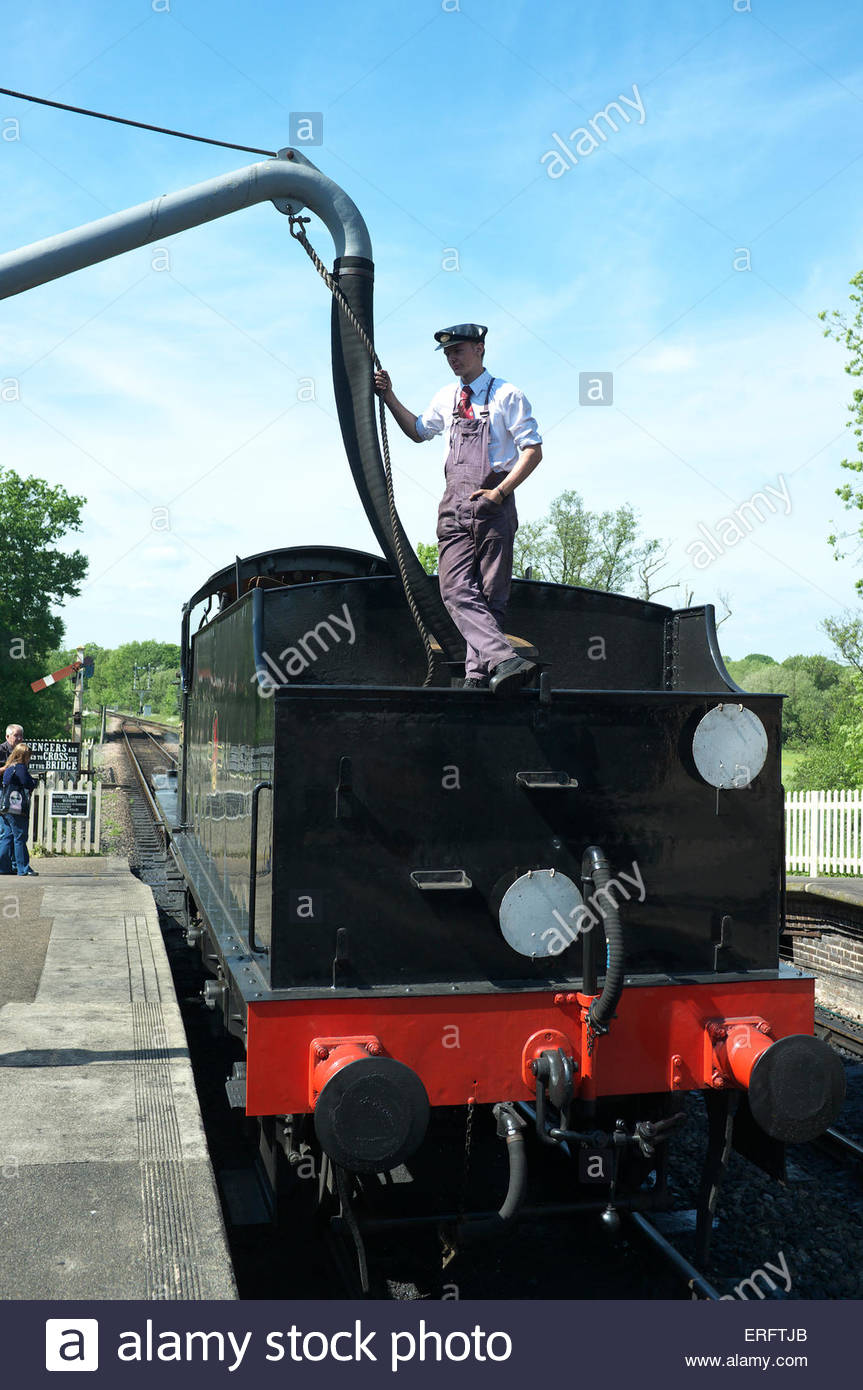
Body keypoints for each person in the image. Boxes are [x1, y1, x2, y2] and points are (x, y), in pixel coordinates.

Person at [374, 324, 542, 695]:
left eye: (459, 350)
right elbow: (418, 431)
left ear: (480, 349)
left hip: (493, 505)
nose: (453, 358)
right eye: (448, 353)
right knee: (454, 590)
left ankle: (477, 677)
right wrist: (389, 397)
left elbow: (533, 451)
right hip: (454, 505)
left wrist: (499, 493)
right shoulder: (447, 397)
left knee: (492, 595)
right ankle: (504, 658)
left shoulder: (507, 395)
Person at [0, 743, 37, 876]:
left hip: (5, 807)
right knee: (20, 837)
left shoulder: (9, 767)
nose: (30, 759)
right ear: (24, 756)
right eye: (29, 756)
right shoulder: (21, 768)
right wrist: (34, 782)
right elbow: (27, 783)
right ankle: (23, 868)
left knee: (7, 837)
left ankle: (3, 867)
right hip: (17, 808)